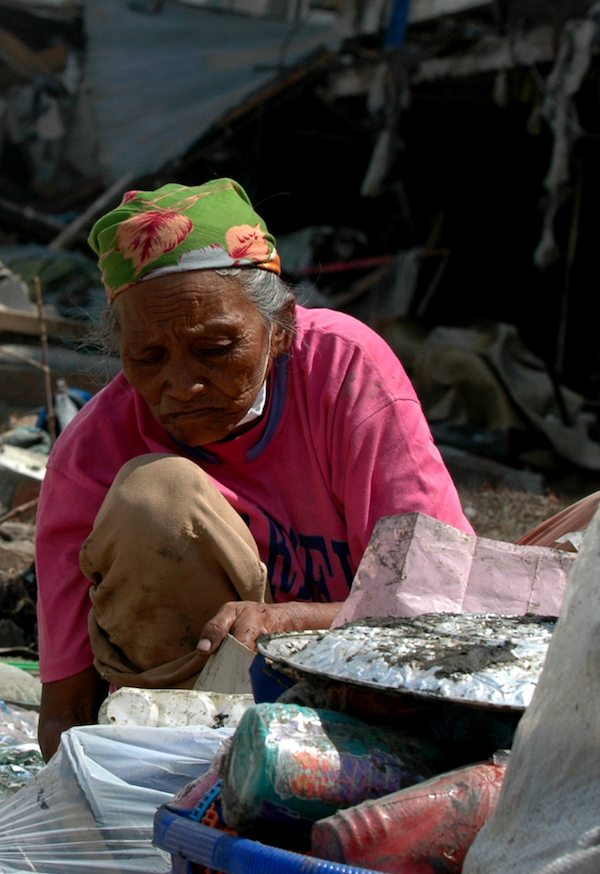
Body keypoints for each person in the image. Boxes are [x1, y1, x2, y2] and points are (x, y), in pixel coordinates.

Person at [34, 179, 474, 758]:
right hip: (197, 733)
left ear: (282, 330)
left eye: (216, 349)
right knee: (156, 497)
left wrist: (290, 622)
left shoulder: (344, 370)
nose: (183, 385)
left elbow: (440, 597)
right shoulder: (94, 455)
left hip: (373, 699)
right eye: (149, 357)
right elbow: (65, 712)